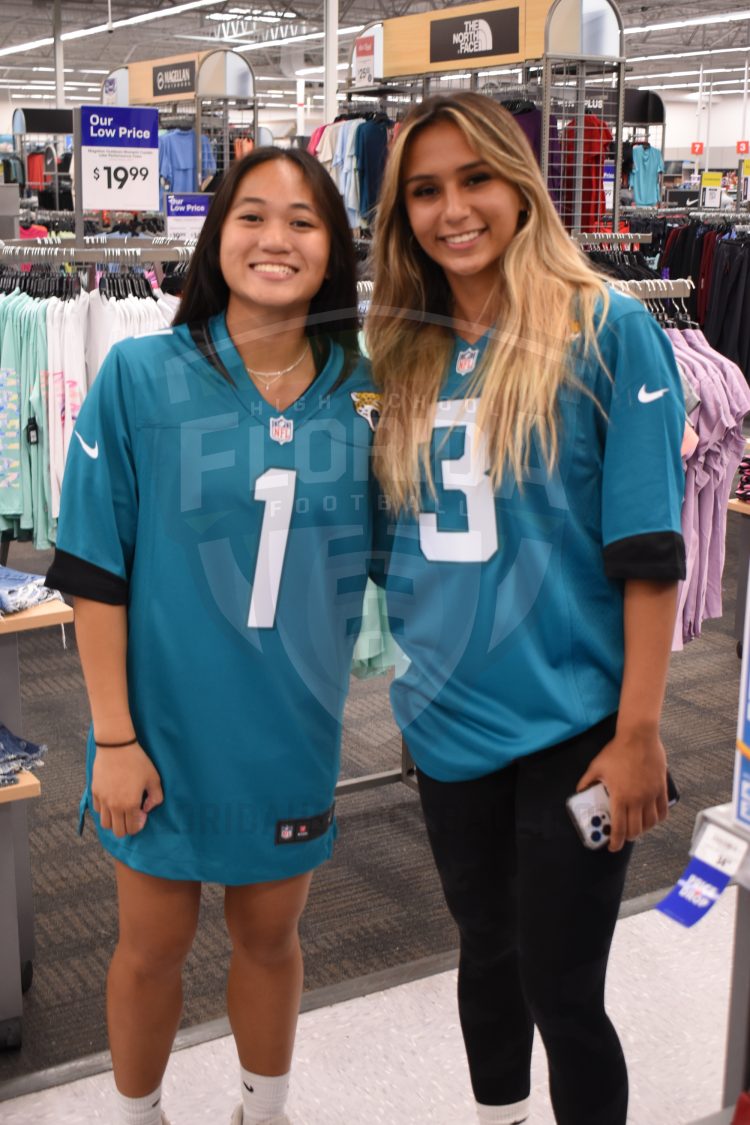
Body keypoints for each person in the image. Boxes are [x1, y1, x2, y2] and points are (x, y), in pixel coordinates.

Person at [367, 92, 685, 1125]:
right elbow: (393, 549)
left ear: (520, 185)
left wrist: (639, 731)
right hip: (448, 724)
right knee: (486, 955)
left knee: (564, 990)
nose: (452, 208)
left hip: (577, 728)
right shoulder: (404, 351)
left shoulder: (608, 328)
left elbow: (647, 554)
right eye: (424, 190)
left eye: (474, 179)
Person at [45, 148, 376, 1125]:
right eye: (252, 216)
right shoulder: (139, 374)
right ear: (216, 235)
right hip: (159, 732)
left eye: (304, 222)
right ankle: (137, 1115)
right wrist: (112, 738)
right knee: (149, 947)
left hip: (293, 733)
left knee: (272, 939)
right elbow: (95, 571)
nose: (276, 239)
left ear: (333, 251)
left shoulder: (368, 393)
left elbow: (422, 553)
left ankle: (260, 1112)